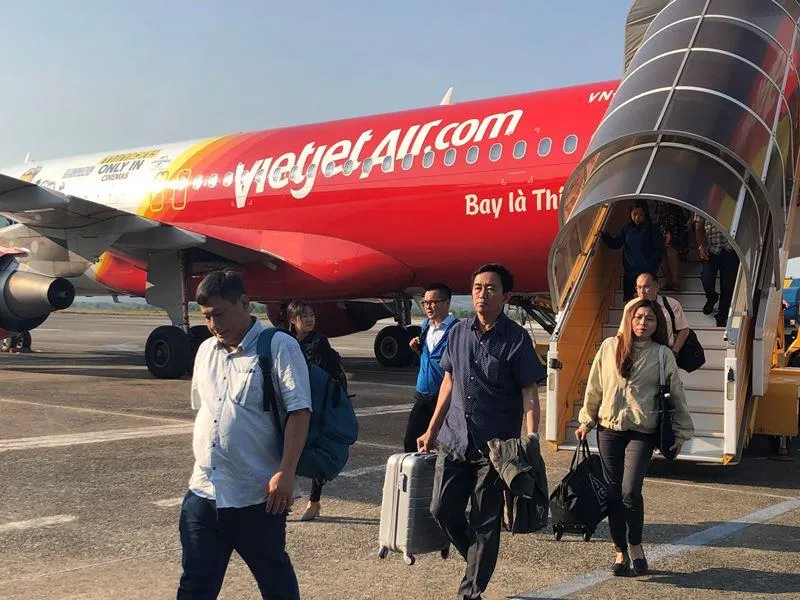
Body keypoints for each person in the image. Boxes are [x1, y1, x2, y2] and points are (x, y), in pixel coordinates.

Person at [178, 270, 311, 600]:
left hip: (257, 495)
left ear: (244, 303)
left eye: (219, 314)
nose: (213, 324)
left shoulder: (278, 346)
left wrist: (287, 471)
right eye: (206, 317)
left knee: (275, 583)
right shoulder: (206, 350)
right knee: (195, 585)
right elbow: (206, 411)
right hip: (204, 491)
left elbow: (299, 412)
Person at [417, 263, 546, 600]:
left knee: (486, 520)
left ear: (506, 296)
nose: (482, 294)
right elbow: (449, 381)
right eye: (477, 287)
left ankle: (470, 591)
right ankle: (476, 558)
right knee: (441, 510)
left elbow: (529, 391)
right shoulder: (458, 332)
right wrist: (431, 429)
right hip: (454, 439)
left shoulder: (516, 339)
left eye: (491, 288)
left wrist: (532, 437)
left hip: (495, 448)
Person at [577, 299, 694, 577]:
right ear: (629, 320)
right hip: (609, 428)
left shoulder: (662, 354)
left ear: (657, 325)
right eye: (638, 317)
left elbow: (676, 394)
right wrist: (586, 420)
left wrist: (682, 432)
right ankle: (620, 550)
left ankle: (636, 543)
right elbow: (595, 386)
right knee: (613, 492)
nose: (643, 323)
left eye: (650, 319)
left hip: (643, 431)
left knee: (630, 490)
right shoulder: (609, 347)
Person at [285, 299, 347, 522]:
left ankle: (314, 501)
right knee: (287, 450)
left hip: (315, 404)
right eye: (305, 316)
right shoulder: (286, 341)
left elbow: (324, 375)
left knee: (315, 450)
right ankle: (287, 496)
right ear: (293, 319)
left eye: (312, 315)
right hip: (291, 402)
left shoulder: (320, 341)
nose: (310, 319)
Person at [403, 283, 459, 453]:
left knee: (445, 446)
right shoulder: (426, 325)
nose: (428, 306)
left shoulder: (457, 330)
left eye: (433, 302)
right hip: (422, 395)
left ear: (447, 303)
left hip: (443, 399)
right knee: (411, 443)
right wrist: (417, 348)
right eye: (425, 302)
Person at [600, 201, 665, 300]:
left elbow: (659, 249)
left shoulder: (653, 229)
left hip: (647, 272)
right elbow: (616, 243)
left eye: (640, 215)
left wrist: (651, 264)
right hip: (630, 271)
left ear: (645, 214)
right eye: (634, 214)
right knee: (630, 301)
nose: (637, 217)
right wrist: (604, 236)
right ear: (630, 214)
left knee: (648, 301)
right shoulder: (627, 229)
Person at [617, 272, 690, 355]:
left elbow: (684, 329)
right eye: (639, 287)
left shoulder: (672, 304)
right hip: (637, 352)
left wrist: (674, 352)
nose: (642, 291)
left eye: (646, 287)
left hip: (665, 352)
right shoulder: (631, 305)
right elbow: (623, 331)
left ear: (656, 287)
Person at [694, 216, 740, 327]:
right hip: (710, 248)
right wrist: (700, 246)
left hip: (731, 248)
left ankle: (722, 316)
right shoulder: (705, 204)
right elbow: (698, 226)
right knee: (707, 278)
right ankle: (711, 297)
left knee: (728, 285)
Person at [655, 202, 690, 290]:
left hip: (675, 213)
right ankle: (669, 281)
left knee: (671, 248)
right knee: (661, 253)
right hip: (663, 217)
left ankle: (675, 280)